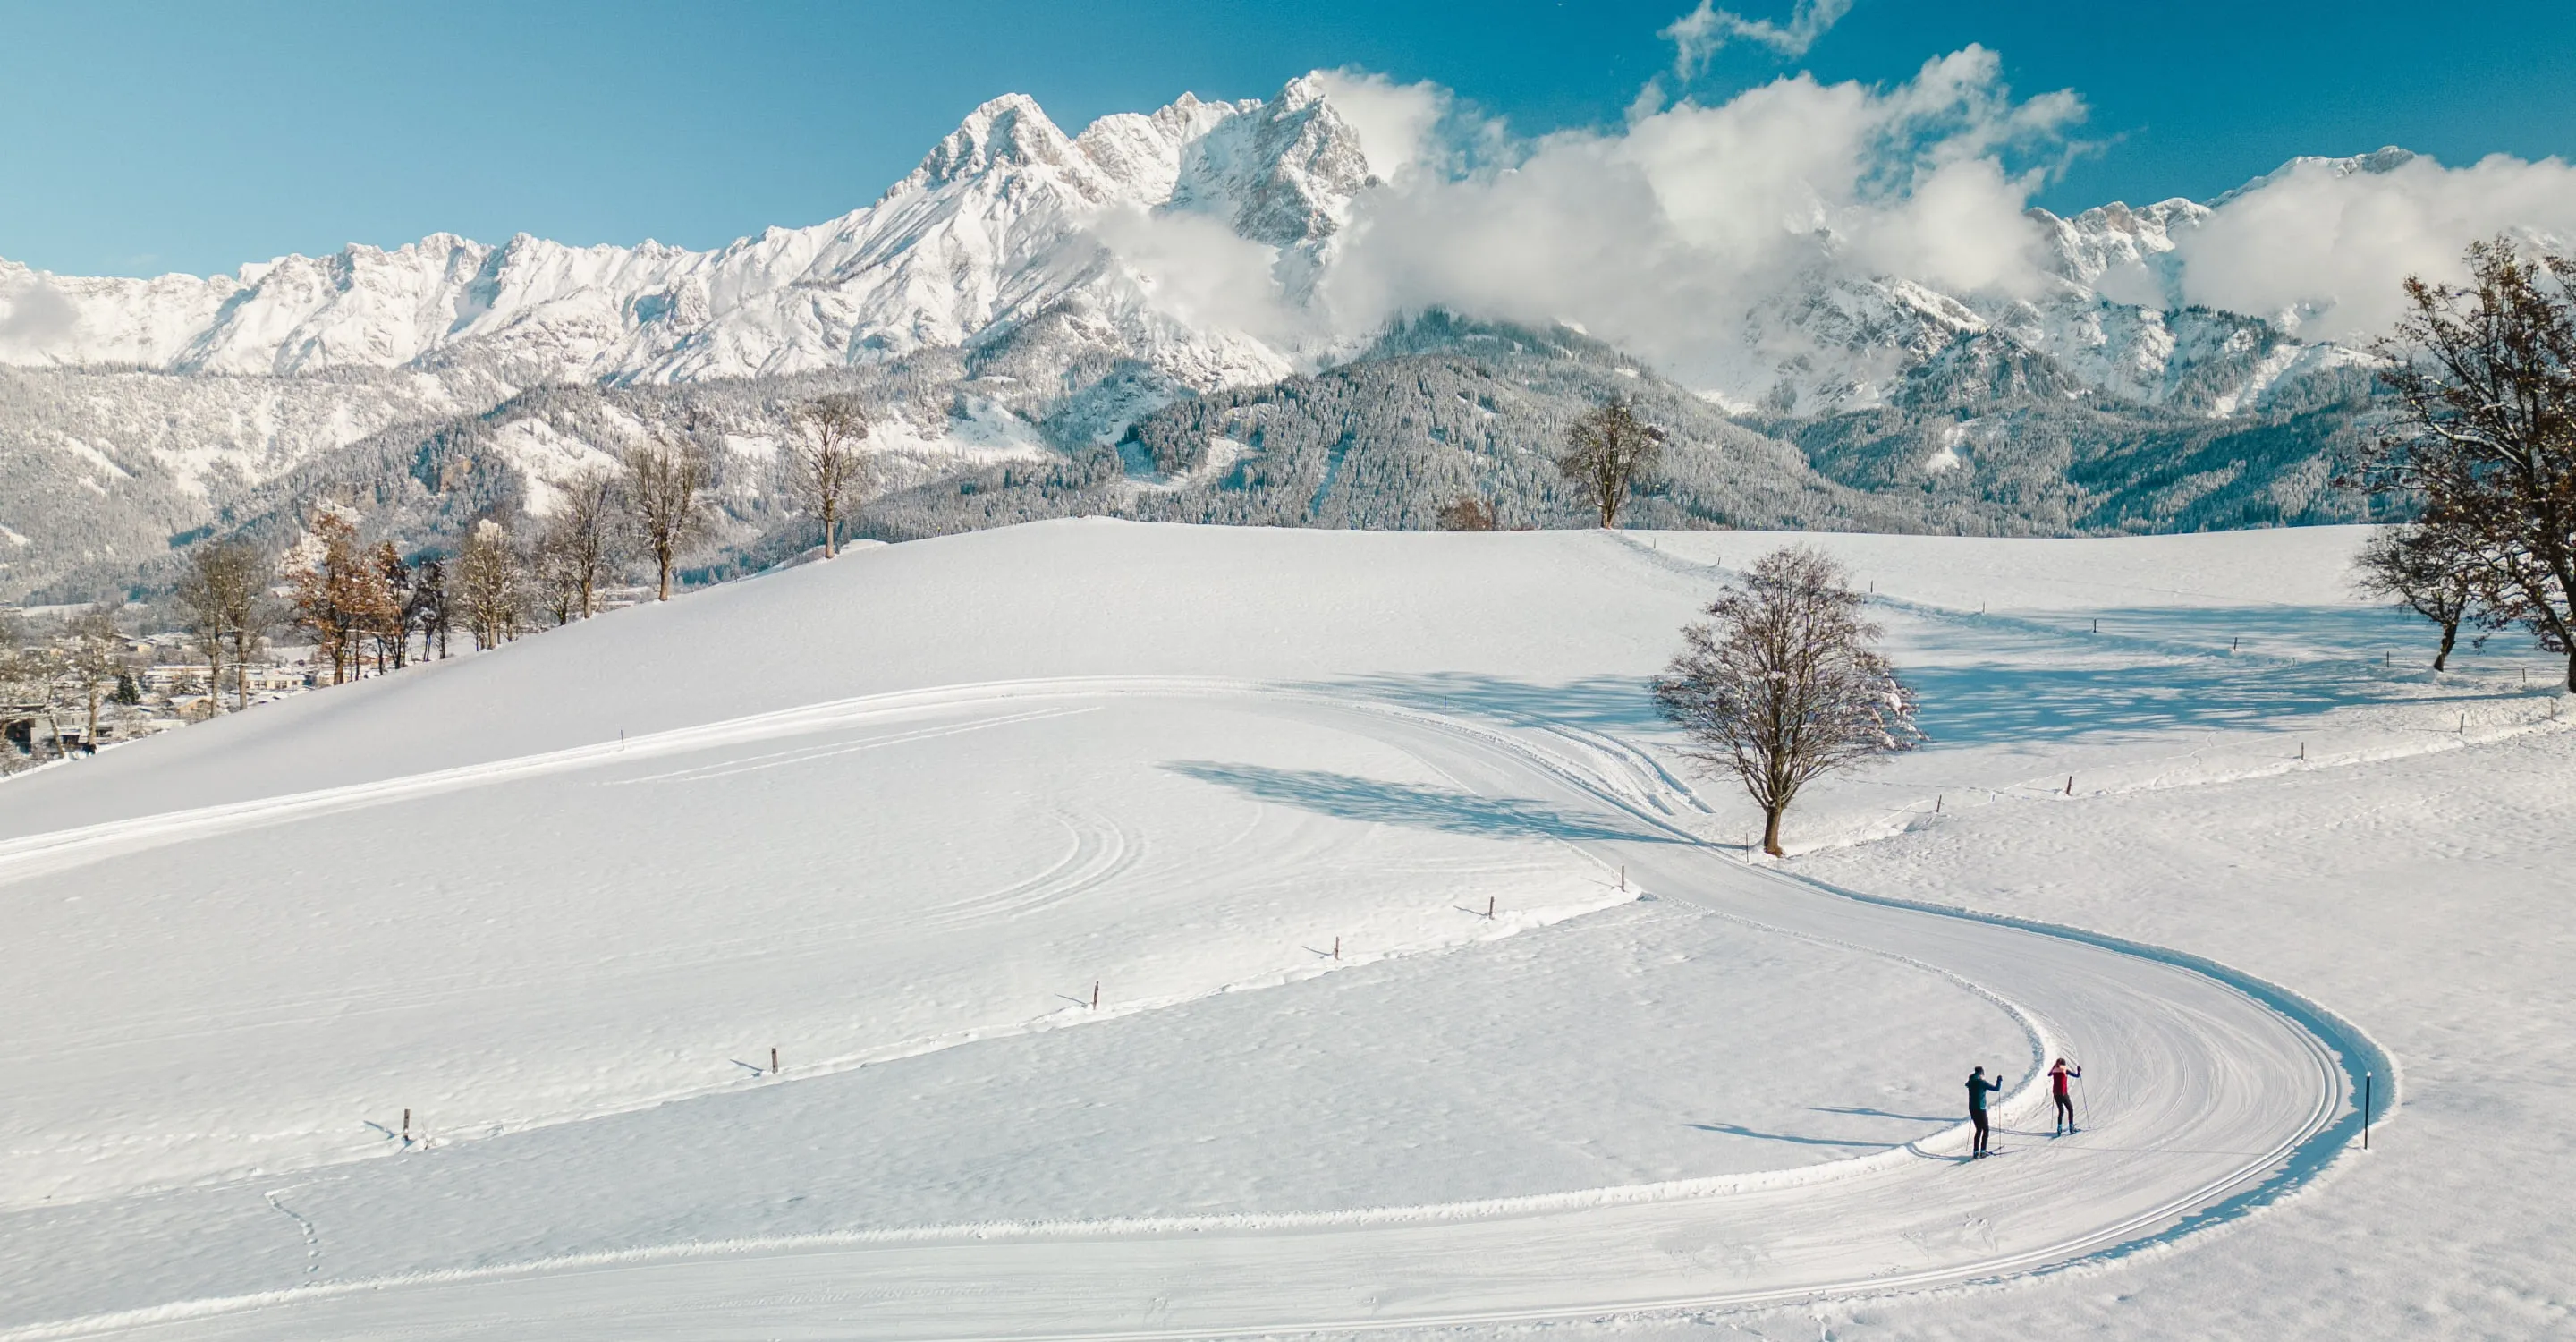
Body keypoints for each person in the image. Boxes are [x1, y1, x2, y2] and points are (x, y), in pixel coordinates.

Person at [1966, 1066, 2004, 1158]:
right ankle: (1983, 1151)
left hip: (1972, 1108)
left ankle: (1976, 1152)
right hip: (1981, 1108)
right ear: (1981, 1074)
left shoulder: (1971, 1082)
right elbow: (1996, 1089)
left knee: (1979, 1129)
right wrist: (1999, 1081)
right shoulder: (1981, 1083)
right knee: (1986, 1129)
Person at [2050, 1058, 2083, 1135]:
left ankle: (2059, 1128)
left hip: (2055, 1094)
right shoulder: (2065, 1070)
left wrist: (2053, 1067)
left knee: (2061, 1111)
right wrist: (2078, 1071)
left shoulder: (2054, 1070)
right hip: (2063, 1093)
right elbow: (2077, 1076)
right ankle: (2071, 1128)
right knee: (2070, 1109)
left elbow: (2049, 1074)